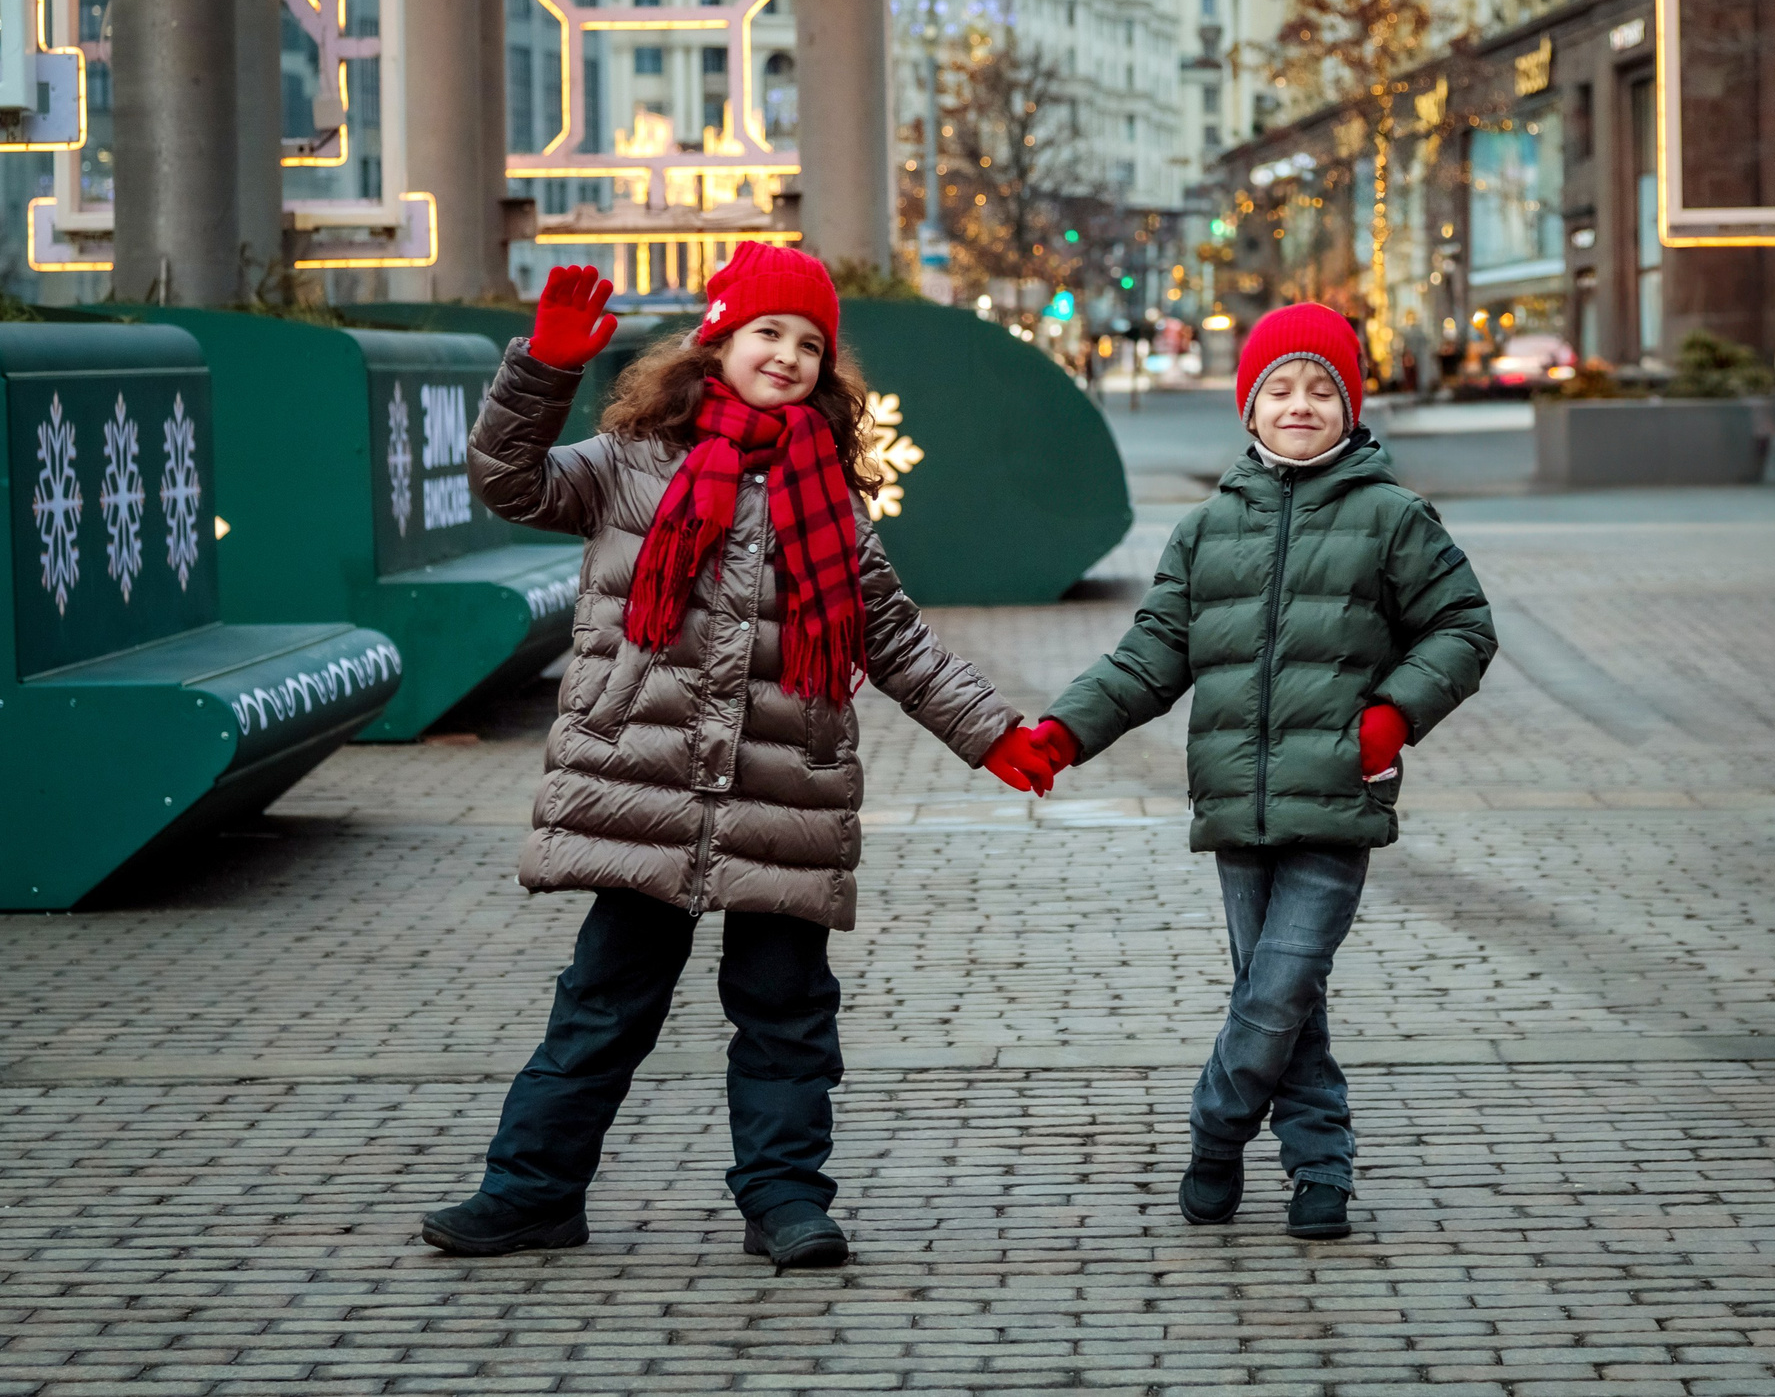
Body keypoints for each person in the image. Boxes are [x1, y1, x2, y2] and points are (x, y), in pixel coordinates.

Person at [420, 247, 1057, 1270]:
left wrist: (992, 732)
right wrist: (542, 369)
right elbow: (509, 479)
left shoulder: (832, 498)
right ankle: (530, 1192)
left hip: (784, 787)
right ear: (714, 342)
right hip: (645, 779)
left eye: (809, 344)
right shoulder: (628, 463)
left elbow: (895, 638)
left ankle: (785, 1200)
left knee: (786, 1013)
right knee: (602, 1004)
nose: (789, 355)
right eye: (768, 331)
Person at [1030, 302, 1496, 1240]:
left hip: (1339, 796)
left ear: (1350, 405)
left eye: (1322, 388)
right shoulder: (1207, 529)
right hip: (1236, 804)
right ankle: (1320, 1168)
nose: (1300, 404)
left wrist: (1391, 716)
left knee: (1278, 989)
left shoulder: (1393, 518)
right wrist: (1065, 732)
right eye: (1280, 388)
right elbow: (1152, 655)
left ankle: (1216, 1129)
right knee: (1285, 1001)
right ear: (1248, 407)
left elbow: (1463, 626)